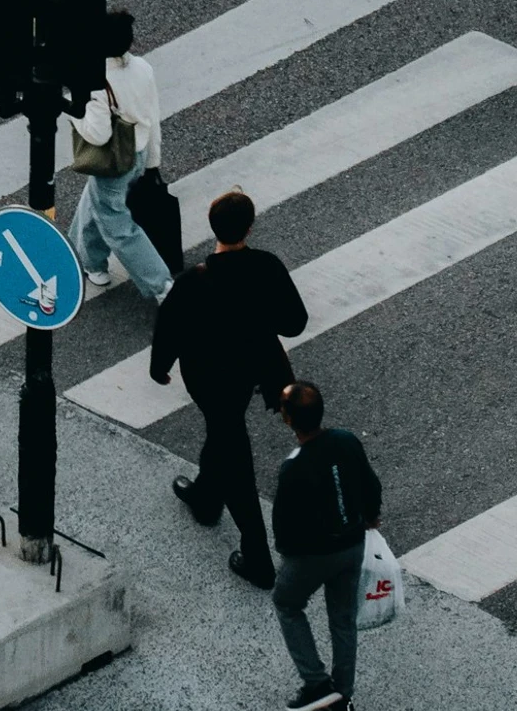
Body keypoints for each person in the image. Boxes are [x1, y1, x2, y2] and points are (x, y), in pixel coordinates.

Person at [152, 189, 308, 589]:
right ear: (250, 227)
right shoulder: (267, 266)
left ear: (212, 227)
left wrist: (160, 368)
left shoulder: (194, 281)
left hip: (206, 377)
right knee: (225, 434)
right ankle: (205, 495)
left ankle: (257, 555)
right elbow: (294, 322)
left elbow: (168, 327)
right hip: (249, 372)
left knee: (235, 461)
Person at [270, 380, 381, 711]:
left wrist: (289, 557)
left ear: (289, 420)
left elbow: (283, 526)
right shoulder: (345, 440)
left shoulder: (293, 466)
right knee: (342, 619)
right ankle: (342, 694)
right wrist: (371, 517)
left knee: (287, 603)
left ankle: (317, 683)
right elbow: (370, 483)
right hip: (353, 543)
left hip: (314, 555)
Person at [67, 8, 173, 300]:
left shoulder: (97, 83)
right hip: (137, 153)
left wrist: (74, 114)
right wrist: (153, 161)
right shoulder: (143, 68)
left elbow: (98, 134)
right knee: (96, 205)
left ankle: (161, 285)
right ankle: (88, 260)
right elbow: (153, 116)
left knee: (118, 227)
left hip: (113, 162)